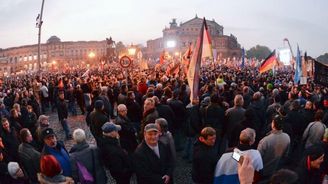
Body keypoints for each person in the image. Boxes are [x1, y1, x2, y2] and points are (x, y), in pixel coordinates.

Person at [257, 114, 290, 181]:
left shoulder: (265, 141)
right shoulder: (287, 137)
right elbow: (285, 154)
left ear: (273, 124)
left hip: (264, 170)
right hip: (276, 168)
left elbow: (258, 159)